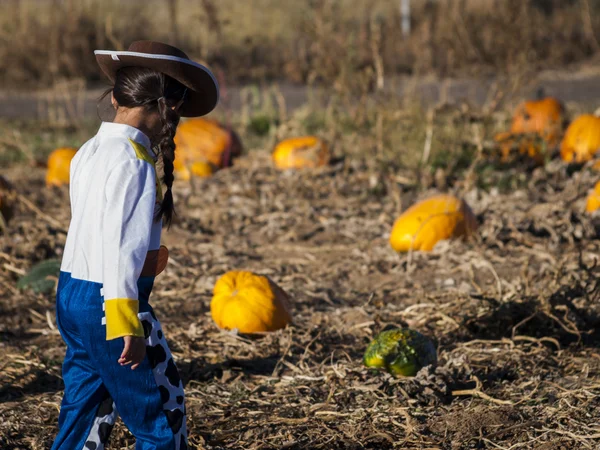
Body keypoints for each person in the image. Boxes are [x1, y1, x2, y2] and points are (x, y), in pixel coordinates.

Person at [52, 41, 219, 450]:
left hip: (72, 293)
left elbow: (91, 232)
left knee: (84, 410)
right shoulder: (133, 163)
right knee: (160, 414)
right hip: (112, 304)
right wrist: (126, 321)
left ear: (115, 98)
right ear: (170, 109)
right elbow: (121, 247)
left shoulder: (87, 151)